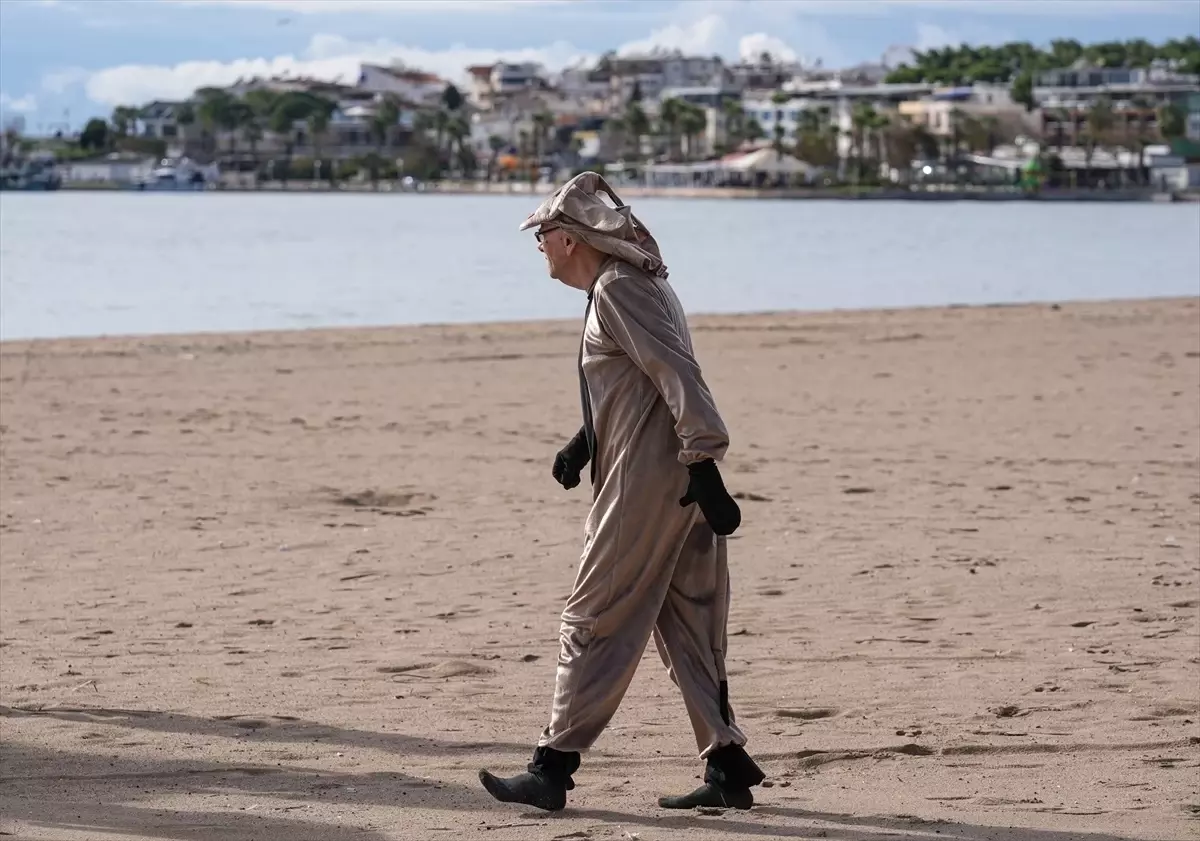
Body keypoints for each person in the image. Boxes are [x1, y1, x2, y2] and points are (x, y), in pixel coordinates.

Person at [477, 172, 766, 812]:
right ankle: (727, 764)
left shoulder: (618, 289)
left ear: (573, 238)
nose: (538, 245)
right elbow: (643, 378)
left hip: (652, 481)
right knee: (687, 618)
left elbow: (678, 374)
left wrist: (705, 459)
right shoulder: (636, 283)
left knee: (593, 615)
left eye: (543, 234)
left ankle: (551, 768)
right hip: (672, 476)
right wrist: (586, 440)